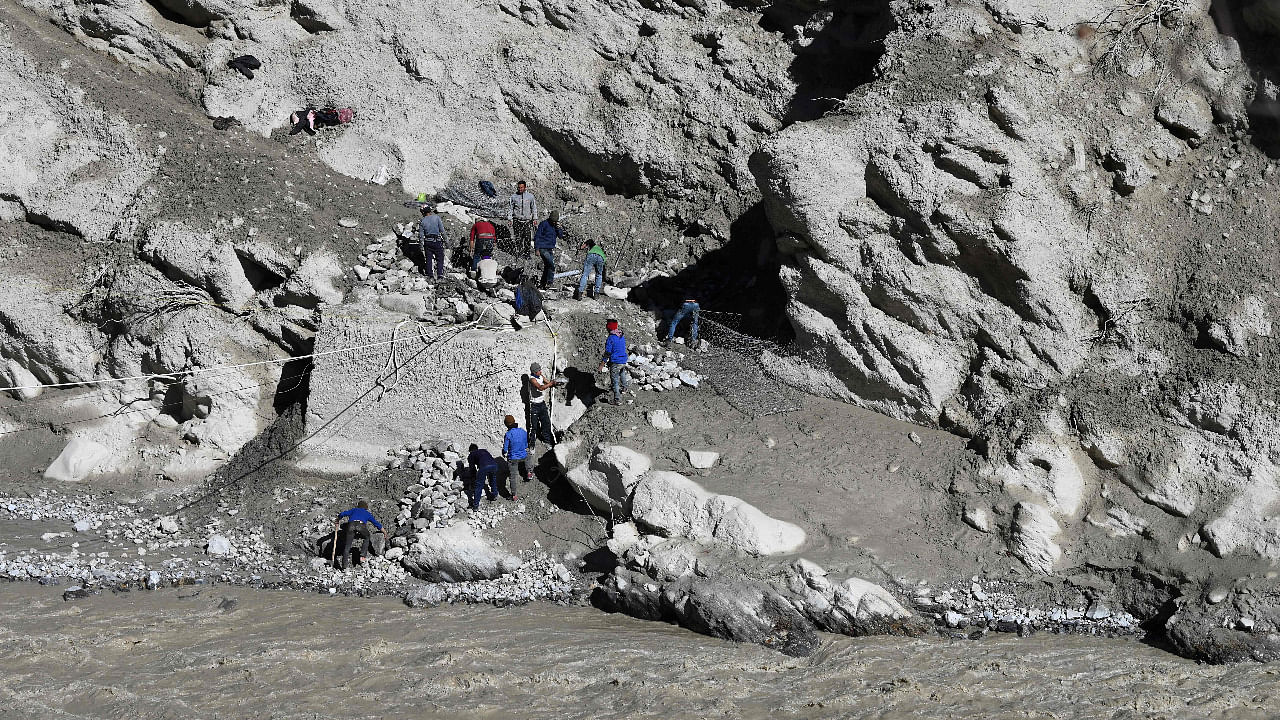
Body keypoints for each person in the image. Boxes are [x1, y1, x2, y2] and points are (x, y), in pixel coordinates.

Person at [333, 500, 383, 570]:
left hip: (351, 526)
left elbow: (343, 514)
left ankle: (344, 567)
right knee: (367, 537)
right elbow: (376, 523)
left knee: (347, 546)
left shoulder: (354, 510)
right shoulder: (367, 513)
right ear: (365, 507)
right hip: (361, 525)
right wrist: (384, 532)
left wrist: (338, 519)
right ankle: (362, 556)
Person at [598, 319, 629, 405]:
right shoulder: (621, 335)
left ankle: (617, 399)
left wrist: (602, 364)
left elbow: (607, 353)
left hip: (616, 361)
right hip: (623, 360)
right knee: (622, 373)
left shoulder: (611, 338)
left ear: (608, 328)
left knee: (614, 380)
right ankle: (625, 388)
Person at [526, 362, 557, 449]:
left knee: (546, 423)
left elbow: (548, 383)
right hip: (534, 406)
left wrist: (555, 383)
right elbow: (540, 388)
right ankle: (532, 445)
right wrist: (550, 384)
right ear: (534, 372)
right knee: (534, 427)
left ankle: (547, 441)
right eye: (538, 370)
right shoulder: (532, 379)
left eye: (540, 370)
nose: (540, 371)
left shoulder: (540, 376)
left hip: (542, 404)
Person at [534, 210, 564, 289]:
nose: (554, 223)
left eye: (555, 221)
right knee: (551, 265)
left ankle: (542, 284)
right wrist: (537, 249)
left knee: (547, 267)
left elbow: (560, 236)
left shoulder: (556, 226)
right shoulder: (544, 224)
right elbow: (537, 236)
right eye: (553, 221)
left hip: (550, 249)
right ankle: (549, 283)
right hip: (542, 248)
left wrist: (559, 228)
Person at [507, 181, 537, 257]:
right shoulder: (513, 197)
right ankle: (519, 252)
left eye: (521, 187)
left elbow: (534, 208)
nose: (520, 189)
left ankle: (527, 253)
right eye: (519, 187)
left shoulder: (530, 196)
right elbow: (510, 208)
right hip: (517, 220)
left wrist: (535, 218)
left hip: (527, 221)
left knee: (527, 237)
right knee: (518, 237)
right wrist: (510, 219)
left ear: (525, 187)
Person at [467, 443, 501, 509]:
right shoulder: (484, 450)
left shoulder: (471, 454)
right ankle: (495, 495)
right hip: (494, 465)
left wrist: (473, 478)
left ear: (470, 450)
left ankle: (475, 505)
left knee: (479, 485)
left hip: (484, 467)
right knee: (493, 480)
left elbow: (472, 468)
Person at [417, 204, 446, 279]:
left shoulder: (422, 221)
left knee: (428, 259)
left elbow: (421, 236)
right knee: (440, 258)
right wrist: (446, 241)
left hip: (428, 242)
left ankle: (430, 275)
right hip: (437, 241)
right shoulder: (437, 218)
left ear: (423, 212)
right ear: (430, 211)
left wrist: (421, 246)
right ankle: (440, 275)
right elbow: (442, 231)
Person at [502, 414, 531, 489]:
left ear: (506, 424)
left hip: (513, 458)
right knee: (528, 455)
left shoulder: (508, 434)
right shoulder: (523, 431)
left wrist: (503, 453)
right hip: (523, 456)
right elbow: (525, 446)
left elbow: (505, 449)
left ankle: (514, 495)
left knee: (512, 477)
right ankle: (529, 472)